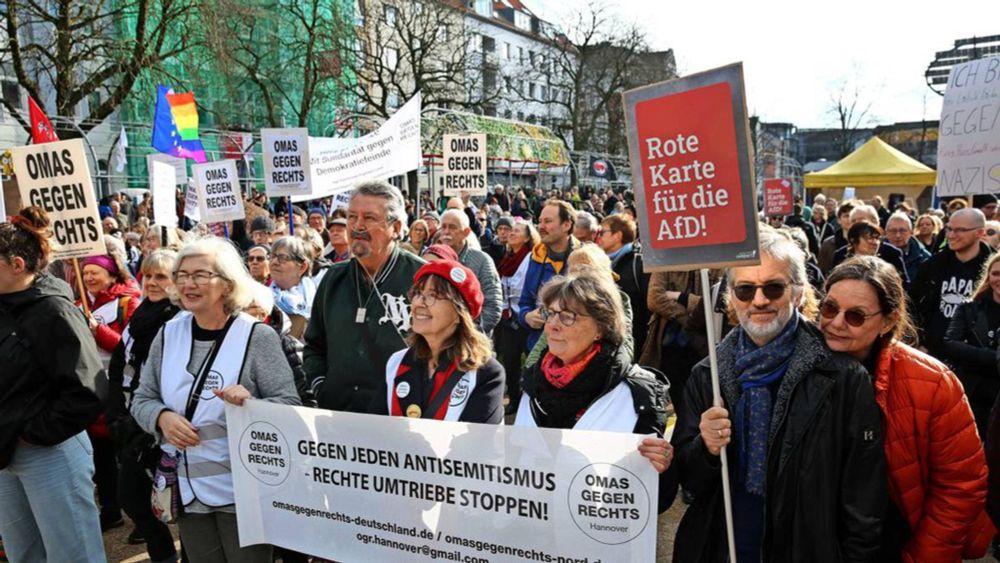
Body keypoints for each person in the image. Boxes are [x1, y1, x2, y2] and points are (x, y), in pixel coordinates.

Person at [673, 226, 886, 562]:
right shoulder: (707, 376)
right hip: (724, 545)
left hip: (804, 549)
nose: (759, 300)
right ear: (730, 297)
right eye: (745, 290)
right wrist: (707, 449)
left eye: (773, 287)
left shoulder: (841, 377)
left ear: (799, 293)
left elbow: (863, 495)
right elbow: (690, 482)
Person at [131, 237, 300, 562]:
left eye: (200, 275)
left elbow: (290, 406)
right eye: (181, 275)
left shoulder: (257, 336)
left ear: (227, 283)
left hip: (245, 494)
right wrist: (161, 417)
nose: (187, 283)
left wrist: (252, 404)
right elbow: (142, 398)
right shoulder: (167, 334)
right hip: (188, 491)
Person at [821, 256, 994, 561]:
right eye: (830, 308)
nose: (836, 323)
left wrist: (922, 557)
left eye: (856, 316)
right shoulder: (798, 367)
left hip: (899, 544)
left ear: (887, 321)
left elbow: (959, 487)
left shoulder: (933, 382)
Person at [514, 271, 677, 511]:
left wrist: (663, 468)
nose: (554, 325)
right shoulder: (532, 384)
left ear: (601, 328)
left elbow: (657, 501)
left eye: (568, 316)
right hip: (536, 539)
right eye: (550, 314)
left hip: (601, 539)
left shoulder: (639, 395)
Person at [0, 207, 108, 562]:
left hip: (49, 453)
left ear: (17, 265)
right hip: (6, 454)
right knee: (24, 554)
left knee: (72, 553)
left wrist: (33, 434)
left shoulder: (54, 311)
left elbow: (88, 389)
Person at [304, 181, 425, 412]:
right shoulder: (333, 279)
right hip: (336, 419)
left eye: (369, 218)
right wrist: (321, 385)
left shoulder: (423, 280)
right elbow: (314, 346)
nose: (357, 226)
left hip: (400, 420)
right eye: (351, 217)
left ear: (396, 227)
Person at [106, 249, 182, 561]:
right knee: (132, 498)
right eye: (148, 275)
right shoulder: (139, 315)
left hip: (158, 424)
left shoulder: (179, 319)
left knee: (177, 503)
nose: (151, 282)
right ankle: (162, 553)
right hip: (129, 419)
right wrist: (116, 413)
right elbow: (118, 365)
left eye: (160, 276)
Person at [372, 260, 504, 422]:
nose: (420, 302)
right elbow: (376, 432)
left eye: (433, 295)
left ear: (459, 313)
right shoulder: (396, 362)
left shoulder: (486, 373)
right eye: (417, 293)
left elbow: (475, 443)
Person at [910, 208, 991, 356]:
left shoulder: (993, 270)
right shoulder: (932, 265)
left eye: (960, 230)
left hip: (976, 357)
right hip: (933, 352)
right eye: (949, 229)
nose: (951, 235)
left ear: (980, 233)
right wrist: (921, 342)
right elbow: (912, 304)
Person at [941, 251, 1000, 435]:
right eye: (996, 273)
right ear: (988, 276)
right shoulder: (969, 308)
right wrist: (993, 357)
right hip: (972, 392)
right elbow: (950, 344)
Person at [519, 199, 578, 351]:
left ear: (566, 225)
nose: (541, 227)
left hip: (573, 349)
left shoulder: (585, 258)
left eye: (548, 221)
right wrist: (527, 317)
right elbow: (524, 302)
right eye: (540, 221)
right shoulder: (535, 257)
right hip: (538, 349)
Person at [494, 220, 538, 413]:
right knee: (511, 361)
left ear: (527, 237)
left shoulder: (531, 258)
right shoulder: (507, 258)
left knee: (531, 362)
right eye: (510, 230)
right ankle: (514, 398)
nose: (511, 233)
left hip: (527, 319)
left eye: (517, 231)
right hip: (508, 319)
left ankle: (532, 401)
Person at [437, 209, 502, 334]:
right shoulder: (432, 259)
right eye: (443, 227)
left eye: (452, 227)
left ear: (466, 232)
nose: (446, 232)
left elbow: (493, 306)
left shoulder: (482, 261)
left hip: (472, 341)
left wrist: (468, 333)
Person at [599, 214, 652, 356]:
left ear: (617, 236)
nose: (598, 237)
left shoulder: (638, 263)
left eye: (602, 232)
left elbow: (648, 306)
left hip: (635, 341)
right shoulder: (601, 263)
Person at [268, 236, 317, 337]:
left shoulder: (318, 300)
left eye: (283, 258)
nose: (274, 262)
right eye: (272, 256)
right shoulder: (261, 298)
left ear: (302, 267)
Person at [884, 213, 931, 283]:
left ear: (911, 232)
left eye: (902, 231)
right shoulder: (876, 254)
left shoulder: (924, 257)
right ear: (886, 233)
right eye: (893, 231)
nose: (898, 235)